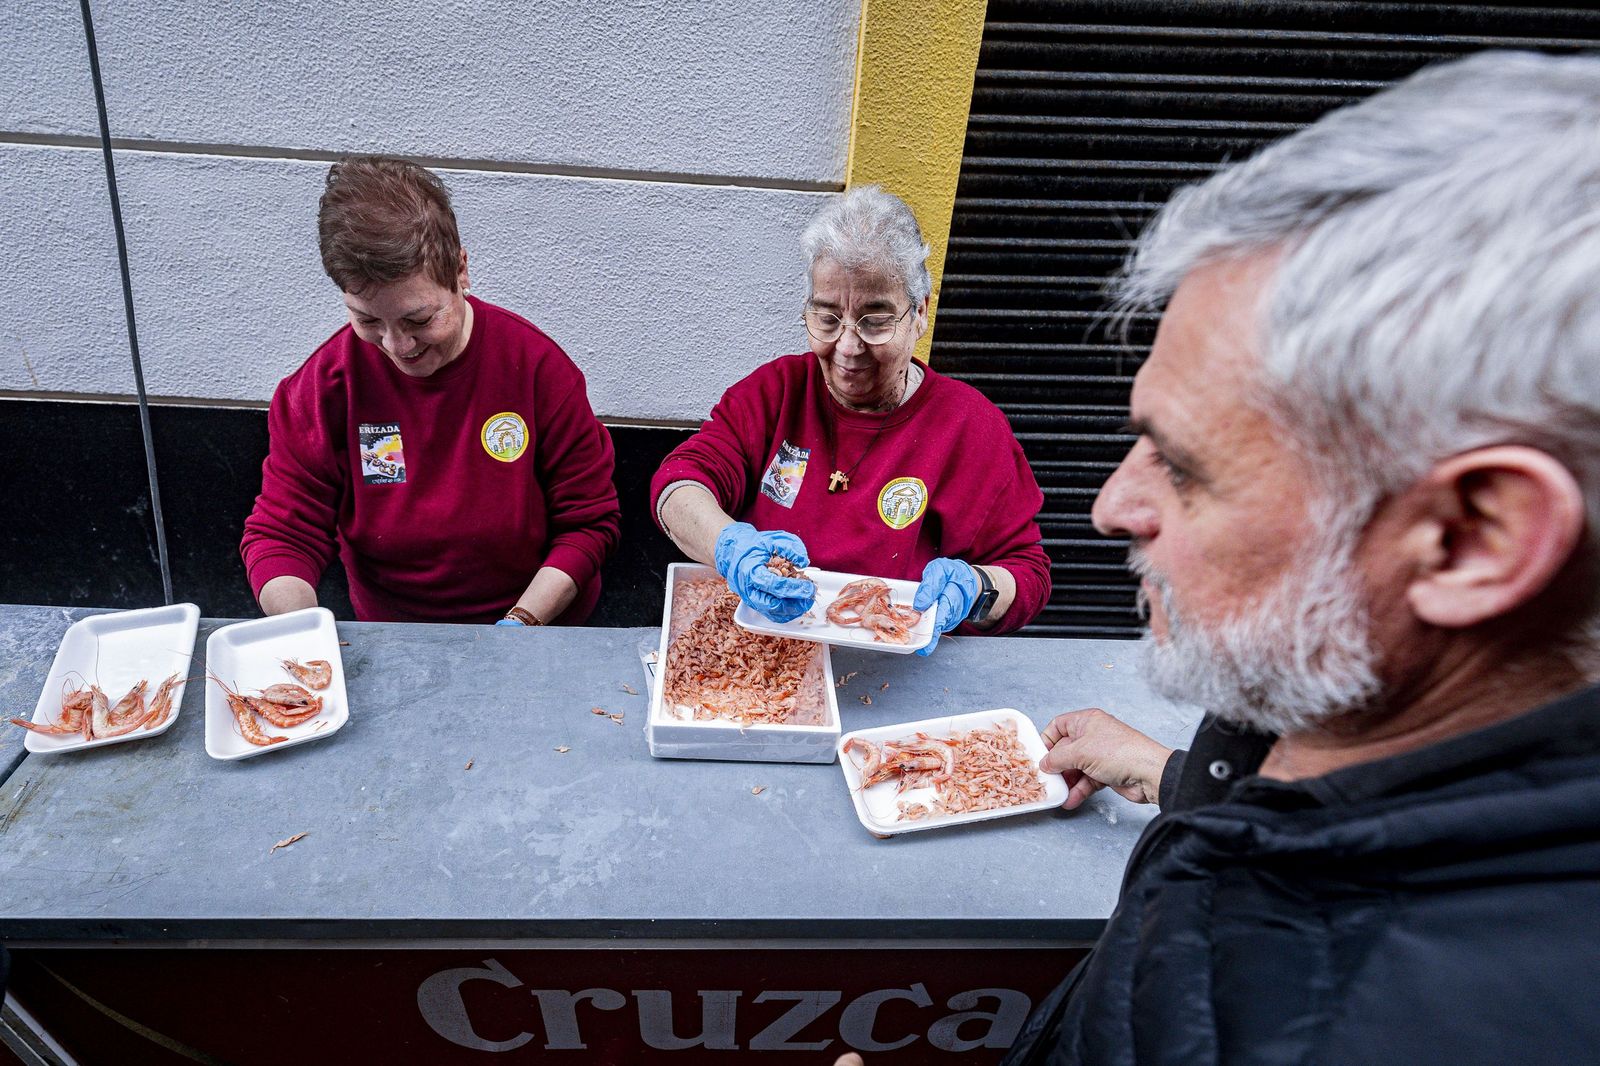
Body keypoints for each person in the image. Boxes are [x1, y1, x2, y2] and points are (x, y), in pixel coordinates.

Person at [841, 49, 1600, 1066]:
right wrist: (1173, 775)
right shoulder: (1345, 707)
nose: (1112, 504)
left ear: (1472, 539)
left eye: (1185, 466)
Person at [649, 186, 1050, 651]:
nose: (848, 346)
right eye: (827, 317)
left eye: (874, 320)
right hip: (764, 650)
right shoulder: (774, 392)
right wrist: (728, 546)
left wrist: (977, 586)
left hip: (900, 674)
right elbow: (678, 484)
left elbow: (1028, 574)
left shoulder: (970, 427)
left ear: (919, 313)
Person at [241, 157, 620, 625]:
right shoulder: (324, 389)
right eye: (368, 321)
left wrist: (522, 624)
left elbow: (587, 524)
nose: (398, 346)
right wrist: (300, 632)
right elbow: (283, 536)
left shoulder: (537, 370)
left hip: (536, 627)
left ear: (461, 270)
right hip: (394, 635)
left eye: (419, 319)